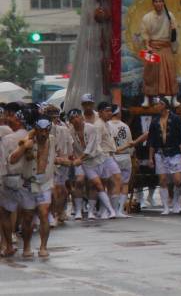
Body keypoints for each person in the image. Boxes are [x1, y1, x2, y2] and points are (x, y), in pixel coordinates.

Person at [8, 119, 71, 258]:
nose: (43, 134)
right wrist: (24, 147)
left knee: (44, 213)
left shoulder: (52, 139)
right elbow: (12, 159)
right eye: (40, 131)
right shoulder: (27, 142)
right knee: (28, 217)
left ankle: (43, 246)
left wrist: (62, 161)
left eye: (46, 131)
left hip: (45, 183)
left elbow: (57, 156)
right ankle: (26, 246)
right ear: (35, 130)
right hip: (28, 183)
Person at [68, 108, 118, 219]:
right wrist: (73, 158)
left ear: (81, 117)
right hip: (85, 162)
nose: (75, 120)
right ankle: (79, 211)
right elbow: (70, 147)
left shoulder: (92, 128)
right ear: (70, 121)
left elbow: (91, 147)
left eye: (77, 117)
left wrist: (79, 158)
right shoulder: (70, 131)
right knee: (91, 183)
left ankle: (93, 211)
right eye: (72, 118)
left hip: (98, 159)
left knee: (97, 185)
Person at [145, 97, 181, 215]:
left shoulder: (176, 119)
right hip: (161, 153)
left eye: (158, 104)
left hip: (175, 152)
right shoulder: (154, 121)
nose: (156, 106)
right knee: (162, 180)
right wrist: (150, 158)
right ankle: (165, 207)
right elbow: (151, 141)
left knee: (178, 180)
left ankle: (176, 203)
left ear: (164, 105)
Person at [0, 106, 29, 257]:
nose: (8, 118)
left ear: (19, 120)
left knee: (6, 212)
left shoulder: (7, 135)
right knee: (24, 212)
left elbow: (5, 161)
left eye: (12, 117)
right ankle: (25, 247)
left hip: (9, 177)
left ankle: (9, 244)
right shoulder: (31, 136)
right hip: (26, 178)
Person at [141, 0, 179, 106]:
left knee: (170, 73)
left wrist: (173, 29)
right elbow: (145, 34)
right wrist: (148, 47)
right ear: (153, 3)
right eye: (156, 1)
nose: (158, 3)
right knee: (150, 73)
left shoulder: (170, 15)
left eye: (160, 1)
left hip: (166, 47)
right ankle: (147, 98)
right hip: (153, 47)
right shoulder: (147, 17)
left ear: (163, 3)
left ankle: (173, 98)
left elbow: (174, 37)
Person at [107, 106, 134, 217]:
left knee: (112, 183)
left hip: (112, 157)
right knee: (124, 183)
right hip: (125, 156)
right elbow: (130, 143)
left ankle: (112, 209)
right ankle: (121, 209)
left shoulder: (107, 125)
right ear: (118, 113)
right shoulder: (125, 126)